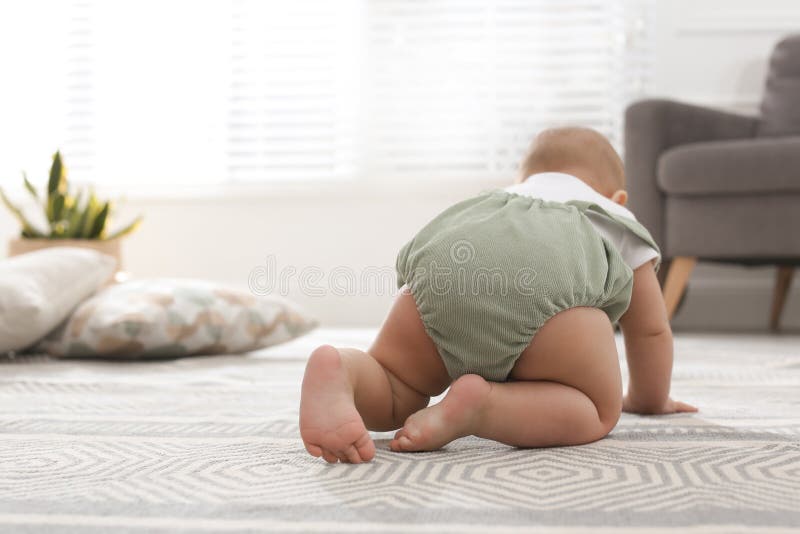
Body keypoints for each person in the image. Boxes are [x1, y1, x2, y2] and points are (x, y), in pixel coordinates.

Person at [299, 127, 698, 464]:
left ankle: (344, 371)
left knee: (395, 386)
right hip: (551, 283)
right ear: (618, 198)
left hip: (448, 264)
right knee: (595, 409)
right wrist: (648, 399)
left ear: (524, 178)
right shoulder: (615, 217)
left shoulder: (494, 202)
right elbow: (649, 330)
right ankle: (483, 406)